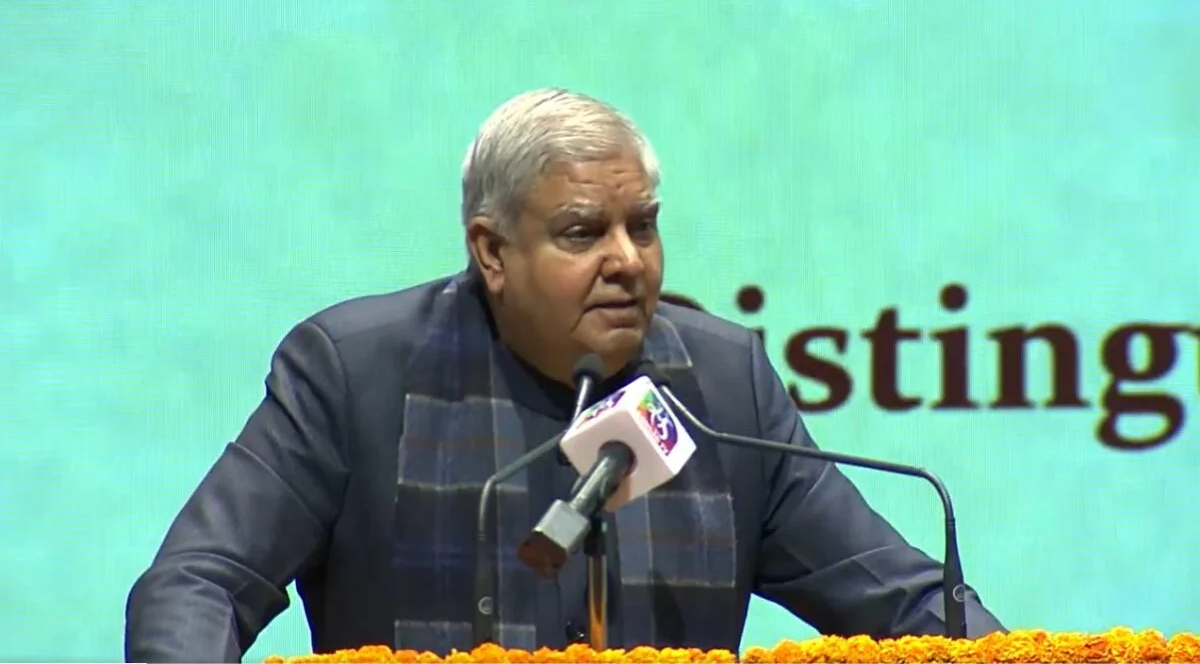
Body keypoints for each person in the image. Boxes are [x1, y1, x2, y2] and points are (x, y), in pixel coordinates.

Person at [125, 88, 1005, 662]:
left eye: (643, 225)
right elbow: (197, 582)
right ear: (492, 251)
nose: (628, 260)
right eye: (583, 233)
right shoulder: (356, 373)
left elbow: (904, 603)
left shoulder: (723, 386)